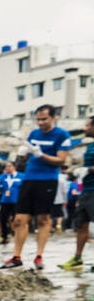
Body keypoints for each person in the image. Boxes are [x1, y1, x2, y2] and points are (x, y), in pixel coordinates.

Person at [0, 105, 73, 270]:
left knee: (43, 219)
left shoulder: (62, 135)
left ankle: (39, 256)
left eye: (44, 119)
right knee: (19, 219)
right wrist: (23, 153)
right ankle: (17, 256)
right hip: (29, 178)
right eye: (38, 119)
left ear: (53, 117)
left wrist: (42, 155)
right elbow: (25, 154)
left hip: (48, 180)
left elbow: (61, 160)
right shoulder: (34, 134)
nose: (40, 123)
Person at [59, 116, 94, 270]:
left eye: (88, 125)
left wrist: (89, 170)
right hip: (86, 191)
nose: (85, 128)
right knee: (81, 224)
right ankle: (78, 258)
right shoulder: (90, 145)